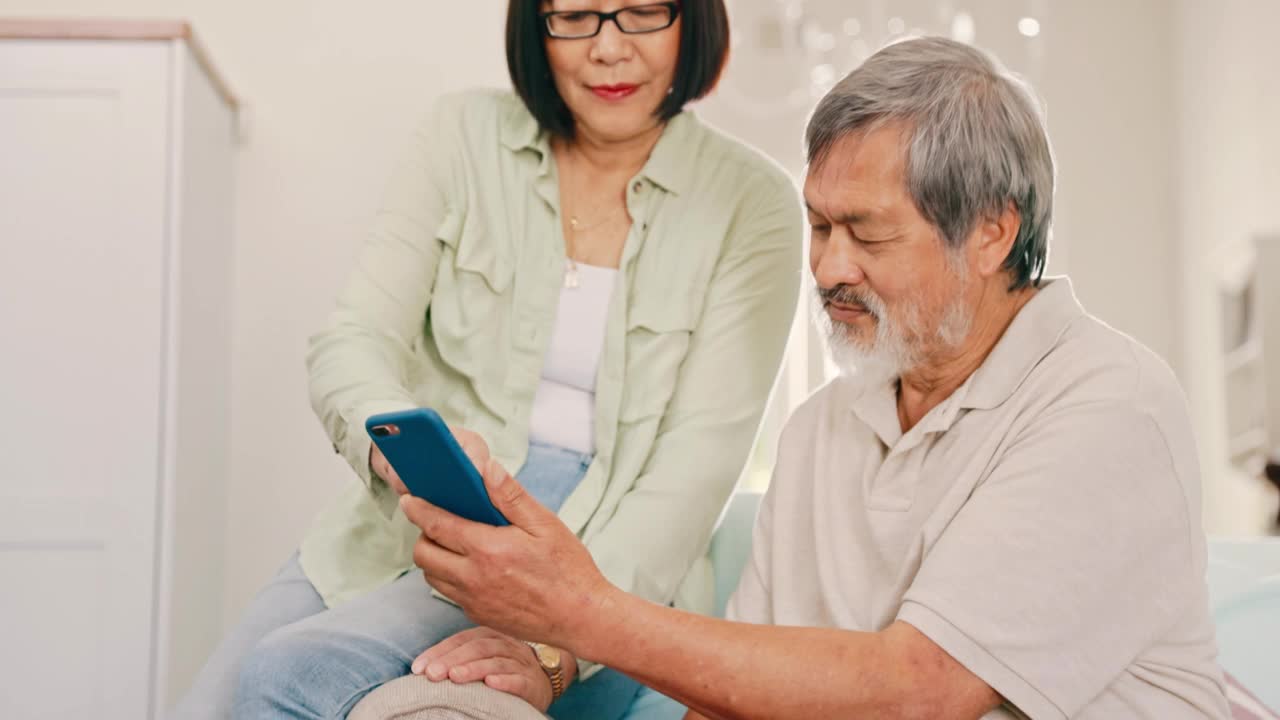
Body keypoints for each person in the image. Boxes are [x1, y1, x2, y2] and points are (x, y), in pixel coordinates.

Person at [400, 37, 1233, 720]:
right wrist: (552, 649)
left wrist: (580, 612)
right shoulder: (823, 429)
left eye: (866, 235)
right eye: (818, 224)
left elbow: (923, 689)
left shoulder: (1105, 404)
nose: (830, 267)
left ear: (989, 234)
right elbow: (734, 700)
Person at [169, 1, 801, 718]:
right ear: (537, 24)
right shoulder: (462, 135)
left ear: (691, 21)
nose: (609, 48)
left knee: (289, 674)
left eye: (643, 12)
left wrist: (566, 639)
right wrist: (398, 447)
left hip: (603, 558)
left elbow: (695, 471)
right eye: (576, 16)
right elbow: (353, 340)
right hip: (418, 516)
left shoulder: (755, 204)